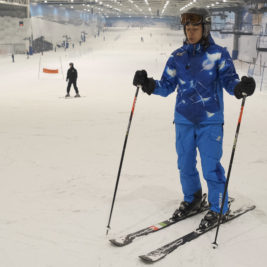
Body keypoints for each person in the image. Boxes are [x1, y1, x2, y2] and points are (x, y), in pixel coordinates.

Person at [133, 7, 255, 229]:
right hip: (183, 120)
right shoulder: (177, 56)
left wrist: (240, 88)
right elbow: (167, 85)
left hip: (210, 121)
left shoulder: (219, 54)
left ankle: (219, 207)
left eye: (195, 27)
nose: (190, 32)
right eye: (187, 28)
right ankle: (193, 198)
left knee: (211, 167)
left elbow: (230, 81)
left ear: (205, 28)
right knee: (185, 164)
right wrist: (149, 84)